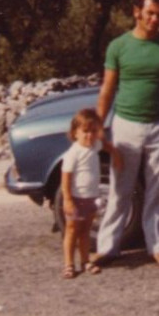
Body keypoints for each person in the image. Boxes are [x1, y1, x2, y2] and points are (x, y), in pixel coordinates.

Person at [93, 0, 159, 268]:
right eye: (150, 13)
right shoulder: (119, 46)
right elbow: (107, 90)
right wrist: (98, 126)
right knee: (120, 188)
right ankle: (107, 248)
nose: (155, 19)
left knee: (157, 189)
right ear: (137, 12)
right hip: (126, 126)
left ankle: (156, 246)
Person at [58, 109, 120, 279]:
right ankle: (69, 264)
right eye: (85, 131)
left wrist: (115, 154)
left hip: (91, 197)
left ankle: (85, 261)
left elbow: (105, 144)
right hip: (76, 198)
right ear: (75, 133)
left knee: (85, 231)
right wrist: (68, 200)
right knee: (72, 230)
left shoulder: (95, 145)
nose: (89, 136)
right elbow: (65, 178)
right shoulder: (73, 153)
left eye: (93, 131)